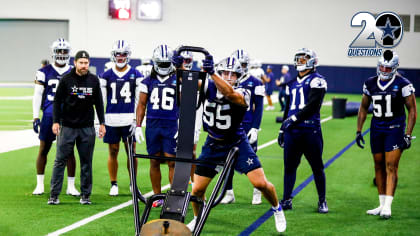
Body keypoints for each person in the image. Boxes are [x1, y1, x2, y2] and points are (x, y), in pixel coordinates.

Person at [187, 55, 286, 233]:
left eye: (232, 74)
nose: (228, 76)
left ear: (239, 77)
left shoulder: (243, 92)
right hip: (212, 143)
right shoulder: (209, 85)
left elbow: (229, 93)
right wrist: (179, 65)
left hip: (236, 143)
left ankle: (277, 208)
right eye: (224, 72)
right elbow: (187, 81)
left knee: (260, 183)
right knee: (197, 190)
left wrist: (212, 73)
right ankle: (197, 218)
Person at [356, 50, 416, 219]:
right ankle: (381, 204)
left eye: (388, 68)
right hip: (376, 127)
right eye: (382, 66)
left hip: (395, 127)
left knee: (391, 166)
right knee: (378, 165)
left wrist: (407, 134)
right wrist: (359, 130)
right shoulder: (370, 83)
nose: (384, 70)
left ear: (395, 68)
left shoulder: (403, 84)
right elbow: (363, 107)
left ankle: (388, 206)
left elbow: (412, 110)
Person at [48, 50, 106, 205]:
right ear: (75, 63)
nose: (84, 65)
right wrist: (55, 121)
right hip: (67, 126)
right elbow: (57, 102)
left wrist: (102, 123)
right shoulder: (66, 80)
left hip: (87, 128)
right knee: (60, 160)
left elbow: (99, 103)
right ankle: (54, 195)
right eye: (81, 62)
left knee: (86, 162)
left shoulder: (94, 80)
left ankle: (85, 195)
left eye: (86, 63)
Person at [277, 48, 328, 213]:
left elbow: (313, 105)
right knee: (289, 167)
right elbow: (287, 110)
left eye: (304, 59)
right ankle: (286, 200)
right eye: (298, 59)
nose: (300, 62)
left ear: (312, 61)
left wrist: (293, 119)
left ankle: (322, 201)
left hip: (310, 129)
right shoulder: (291, 83)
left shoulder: (317, 80)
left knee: (317, 167)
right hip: (292, 131)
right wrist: (281, 129)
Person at [32, 39, 79, 196]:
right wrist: (35, 117)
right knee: (44, 149)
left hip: (69, 116)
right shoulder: (44, 71)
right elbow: (37, 95)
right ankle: (40, 184)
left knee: (69, 151)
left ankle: (71, 186)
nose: (61, 54)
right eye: (59, 51)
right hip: (49, 114)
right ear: (53, 52)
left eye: (64, 51)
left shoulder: (74, 71)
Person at [135, 44, 178, 208]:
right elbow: (141, 104)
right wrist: (138, 125)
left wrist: (181, 125)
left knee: (172, 161)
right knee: (154, 161)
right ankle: (157, 195)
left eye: (167, 63)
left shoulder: (176, 79)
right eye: (162, 63)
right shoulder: (147, 81)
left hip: (170, 124)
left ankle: (173, 197)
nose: (164, 66)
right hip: (153, 124)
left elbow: (183, 103)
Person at [221, 49, 265, 205]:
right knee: (227, 161)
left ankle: (257, 190)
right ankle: (228, 192)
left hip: (246, 124)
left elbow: (259, 107)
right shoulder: (226, 81)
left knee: (252, 160)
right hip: (229, 125)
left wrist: (255, 127)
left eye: (244, 64)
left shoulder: (256, 82)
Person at [99, 40, 143, 196]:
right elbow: (102, 100)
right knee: (113, 151)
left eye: (123, 54)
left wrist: (136, 121)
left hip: (128, 118)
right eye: (118, 54)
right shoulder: (106, 75)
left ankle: (133, 183)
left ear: (128, 55)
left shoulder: (136, 74)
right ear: (113, 55)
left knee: (131, 151)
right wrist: (100, 121)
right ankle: (114, 183)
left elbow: (139, 100)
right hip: (111, 118)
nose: (120, 57)